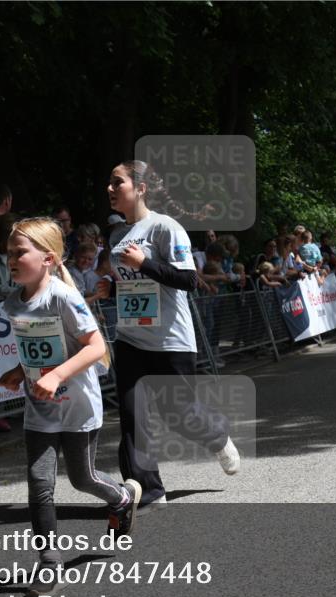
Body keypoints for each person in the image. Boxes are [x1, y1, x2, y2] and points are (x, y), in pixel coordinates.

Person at [0, 217, 140, 596]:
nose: (10, 259)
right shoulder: (13, 302)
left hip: (77, 404)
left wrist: (57, 375)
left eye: (19, 252)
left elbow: (96, 348)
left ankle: (122, 497)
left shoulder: (62, 295)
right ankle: (48, 562)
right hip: (39, 408)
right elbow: (38, 348)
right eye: (9, 253)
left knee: (82, 479)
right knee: (40, 486)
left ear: (48, 258)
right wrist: (18, 370)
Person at [106, 160, 240, 508]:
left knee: (179, 415)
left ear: (140, 188)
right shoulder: (116, 235)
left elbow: (188, 280)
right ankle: (148, 491)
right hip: (131, 338)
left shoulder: (165, 228)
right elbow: (128, 284)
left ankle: (217, 436)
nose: (109, 189)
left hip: (170, 340)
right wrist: (112, 287)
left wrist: (144, 264)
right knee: (134, 417)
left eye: (116, 182)